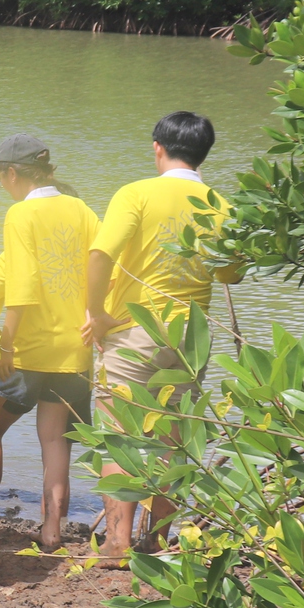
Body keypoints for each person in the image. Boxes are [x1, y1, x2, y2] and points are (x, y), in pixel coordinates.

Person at [82, 111, 240, 564]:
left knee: (121, 434)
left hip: (136, 330)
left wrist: (98, 313)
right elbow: (232, 272)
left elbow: (99, 255)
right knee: (174, 437)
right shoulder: (221, 204)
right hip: (191, 338)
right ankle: (160, 541)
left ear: (157, 148)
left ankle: (117, 544)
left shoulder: (136, 193)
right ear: (204, 154)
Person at [0, 137, 98, 551]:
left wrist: (5, 345)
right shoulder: (83, 210)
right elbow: (102, 266)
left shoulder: (21, 215)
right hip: (75, 349)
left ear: (12, 173)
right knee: (55, 441)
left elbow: (19, 288)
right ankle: (52, 530)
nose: (3, 185)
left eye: (1, 178)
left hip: (30, 348)